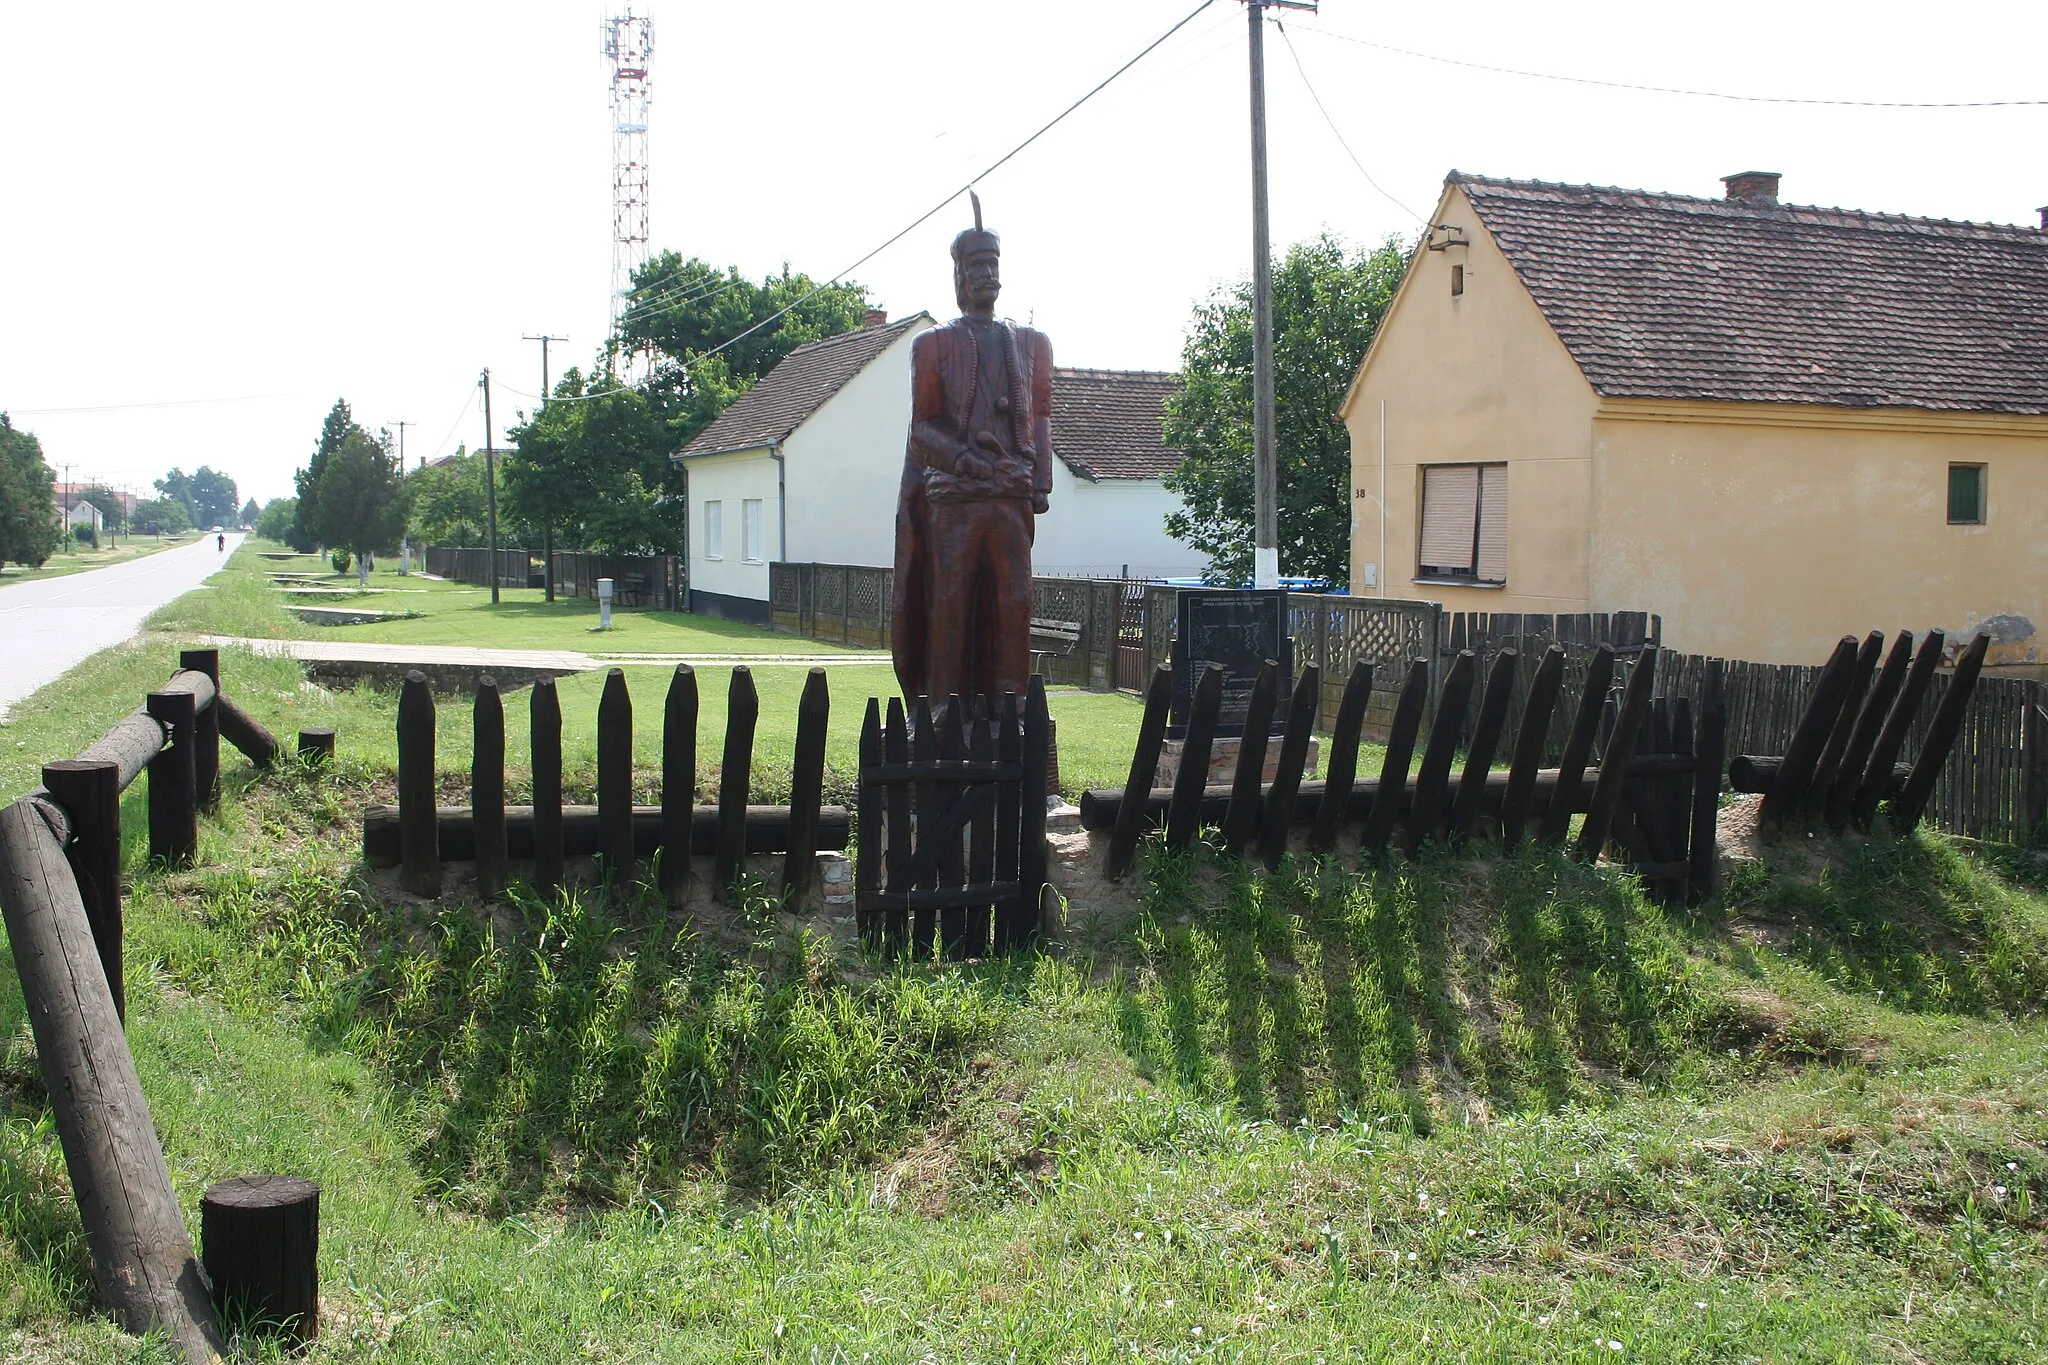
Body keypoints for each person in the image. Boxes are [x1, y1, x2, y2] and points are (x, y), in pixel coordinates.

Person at [890, 193, 1054, 705]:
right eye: (977, 265)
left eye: (994, 264)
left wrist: (1041, 481)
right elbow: (922, 431)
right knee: (951, 599)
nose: (988, 274)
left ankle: (1011, 707)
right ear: (958, 275)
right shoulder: (933, 345)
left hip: (1011, 496)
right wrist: (964, 460)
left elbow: (1043, 416)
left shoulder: (1033, 344)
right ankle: (942, 705)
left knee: (1015, 601)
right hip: (955, 499)